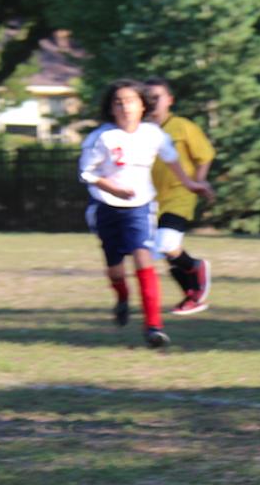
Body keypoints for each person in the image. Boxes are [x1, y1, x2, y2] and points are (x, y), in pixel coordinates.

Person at [79, 78, 212, 348]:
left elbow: (171, 159)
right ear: (111, 108)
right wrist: (113, 189)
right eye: (118, 102)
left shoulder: (153, 134)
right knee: (116, 270)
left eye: (130, 101)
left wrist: (191, 184)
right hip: (106, 207)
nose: (125, 106)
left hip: (139, 207)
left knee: (143, 260)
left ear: (142, 105)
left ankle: (154, 327)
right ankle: (122, 297)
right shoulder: (101, 138)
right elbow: (87, 173)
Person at [144, 77, 216, 315]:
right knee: (162, 250)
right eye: (148, 97)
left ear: (169, 100)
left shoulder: (182, 126)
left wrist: (199, 180)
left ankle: (197, 267)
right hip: (151, 198)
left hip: (180, 193)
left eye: (158, 97)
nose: (153, 102)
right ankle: (192, 295)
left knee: (167, 243)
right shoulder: (142, 131)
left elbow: (204, 155)